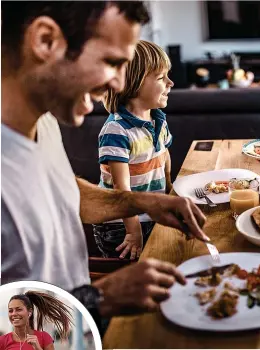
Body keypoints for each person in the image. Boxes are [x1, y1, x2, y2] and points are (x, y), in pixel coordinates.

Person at [1, 1, 210, 327]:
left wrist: (140, 201)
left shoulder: (43, 121)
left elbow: (64, 195)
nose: (118, 84)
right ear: (45, 41)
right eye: (112, 62)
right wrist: (100, 299)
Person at [93, 40, 175, 260]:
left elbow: (163, 154)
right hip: (121, 226)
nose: (170, 83)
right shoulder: (117, 130)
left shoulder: (157, 119)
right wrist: (133, 231)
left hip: (150, 215)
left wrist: (169, 188)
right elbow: (122, 188)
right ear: (134, 83)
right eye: (161, 78)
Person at [0, 291, 73, 350]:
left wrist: (38, 348)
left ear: (30, 312)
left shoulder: (44, 337)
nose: (14, 314)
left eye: (19, 309)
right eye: (10, 311)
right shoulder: (2, 341)